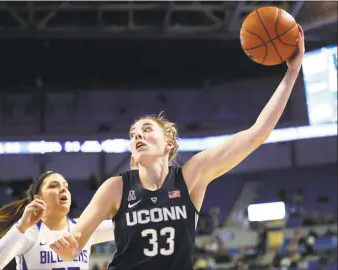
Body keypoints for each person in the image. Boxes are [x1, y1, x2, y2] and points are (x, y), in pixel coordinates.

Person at [50, 25, 305, 270]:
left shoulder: (191, 177)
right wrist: (67, 249)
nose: (138, 136)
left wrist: (292, 72)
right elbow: (75, 245)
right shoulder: (115, 188)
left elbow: (257, 134)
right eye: (133, 134)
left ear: (168, 144)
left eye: (147, 130)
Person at [0, 171, 114, 270]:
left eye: (66, 186)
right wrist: (21, 226)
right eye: (54, 186)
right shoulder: (29, 233)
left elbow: (129, 225)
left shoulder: (83, 228)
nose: (63, 189)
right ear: (39, 198)